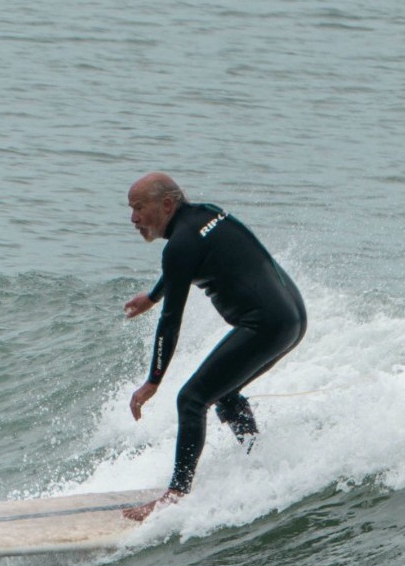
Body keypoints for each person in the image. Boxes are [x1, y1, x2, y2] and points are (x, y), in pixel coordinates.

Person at [121, 172, 307, 521]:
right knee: (223, 392)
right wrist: (153, 296)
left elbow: (170, 322)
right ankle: (257, 460)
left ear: (165, 205)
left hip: (266, 324)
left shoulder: (180, 245)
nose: (133, 219)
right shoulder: (205, 214)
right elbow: (182, 264)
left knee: (191, 399)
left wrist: (153, 381)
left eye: (138, 208)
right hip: (292, 317)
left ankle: (175, 495)